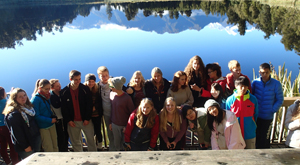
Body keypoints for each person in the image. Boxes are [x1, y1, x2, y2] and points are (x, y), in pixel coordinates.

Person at [61, 70, 96, 152]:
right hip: (73, 122)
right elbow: (64, 108)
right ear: (70, 79)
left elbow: (89, 104)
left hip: (85, 120)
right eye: (76, 79)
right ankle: (80, 159)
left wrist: (87, 118)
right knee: (76, 142)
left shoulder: (85, 89)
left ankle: (94, 158)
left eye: (79, 79)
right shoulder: (64, 92)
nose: (78, 81)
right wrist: (69, 120)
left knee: (91, 140)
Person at [252, 63, 284, 149]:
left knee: (265, 137)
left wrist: (272, 110)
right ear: (259, 72)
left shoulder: (276, 84)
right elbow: (251, 96)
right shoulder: (255, 82)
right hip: (256, 115)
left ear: (270, 71)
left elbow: (280, 99)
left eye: (267, 72)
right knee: (256, 135)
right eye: (262, 72)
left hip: (267, 116)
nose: (264, 74)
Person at [3, 88, 41, 159]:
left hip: (35, 138)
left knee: (37, 159)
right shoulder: (13, 114)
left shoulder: (29, 108)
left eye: (24, 95)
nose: (23, 98)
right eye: (20, 97)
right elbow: (17, 133)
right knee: (30, 161)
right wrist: (25, 146)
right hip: (26, 144)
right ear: (14, 99)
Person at [226, 76, 258, 149]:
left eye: (246, 86)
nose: (243, 89)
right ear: (236, 86)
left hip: (249, 133)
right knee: (237, 155)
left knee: (251, 154)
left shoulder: (253, 99)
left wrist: (252, 124)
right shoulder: (230, 100)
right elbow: (228, 117)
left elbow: (255, 114)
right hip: (235, 134)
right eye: (241, 86)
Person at [31, 79, 58, 152]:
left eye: (49, 89)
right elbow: (36, 116)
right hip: (43, 127)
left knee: (55, 145)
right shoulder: (35, 99)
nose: (48, 91)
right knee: (48, 147)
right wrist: (50, 120)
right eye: (46, 89)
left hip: (51, 124)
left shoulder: (47, 96)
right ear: (40, 88)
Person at [108, 76, 135, 151]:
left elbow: (132, 114)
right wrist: (111, 122)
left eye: (111, 86)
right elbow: (112, 110)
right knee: (117, 143)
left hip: (124, 126)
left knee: (125, 144)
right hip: (114, 125)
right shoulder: (112, 95)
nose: (110, 87)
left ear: (116, 87)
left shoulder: (127, 98)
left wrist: (127, 126)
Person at [97, 66, 115, 151]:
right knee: (109, 131)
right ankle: (112, 148)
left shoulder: (113, 82)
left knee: (118, 130)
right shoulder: (97, 86)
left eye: (106, 75)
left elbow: (123, 89)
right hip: (106, 113)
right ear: (99, 77)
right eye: (102, 76)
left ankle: (120, 147)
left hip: (115, 112)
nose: (105, 78)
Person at [84, 73, 103, 150]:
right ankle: (92, 147)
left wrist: (95, 107)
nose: (91, 83)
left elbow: (100, 101)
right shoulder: (83, 89)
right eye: (89, 81)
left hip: (96, 114)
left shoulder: (97, 88)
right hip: (87, 115)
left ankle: (100, 146)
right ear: (86, 81)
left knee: (98, 130)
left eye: (92, 81)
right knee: (90, 132)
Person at [0, 87, 18, 164]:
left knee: (3, 146)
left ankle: (7, 161)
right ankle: (15, 162)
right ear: (2, 94)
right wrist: (12, 93)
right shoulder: (5, 102)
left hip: (0, 127)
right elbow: (12, 104)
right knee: (12, 145)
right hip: (6, 126)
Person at [49, 79, 68, 152]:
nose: (59, 87)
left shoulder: (62, 93)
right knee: (60, 137)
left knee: (66, 135)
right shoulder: (51, 96)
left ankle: (65, 149)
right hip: (58, 120)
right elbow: (57, 106)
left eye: (59, 85)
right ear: (52, 88)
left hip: (64, 118)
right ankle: (61, 151)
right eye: (57, 86)